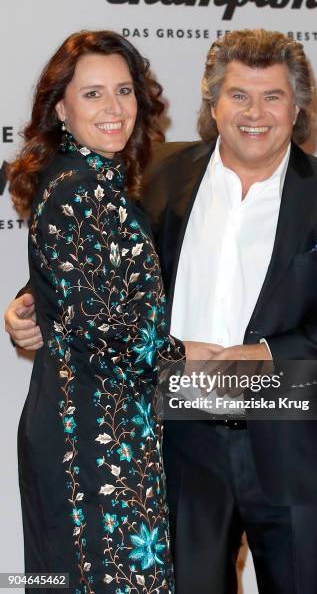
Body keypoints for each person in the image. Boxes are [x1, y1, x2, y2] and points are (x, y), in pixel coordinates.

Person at [5, 30, 317, 594]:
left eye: (273, 96)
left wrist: (265, 355)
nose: (255, 113)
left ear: (298, 106)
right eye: (238, 95)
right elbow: (97, 258)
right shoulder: (154, 174)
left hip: (292, 449)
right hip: (176, 447)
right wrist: (28, 304)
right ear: (213, 104)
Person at [5, 30, 217, 593]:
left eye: (123, 91)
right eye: (93, 93)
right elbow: (114, 334)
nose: (114, 108)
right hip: (96, 441)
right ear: (60, 107)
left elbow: (76, 290)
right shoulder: (84, 188)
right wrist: (191, 354)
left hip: (95, 427)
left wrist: (29, 305)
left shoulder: (84, 180)